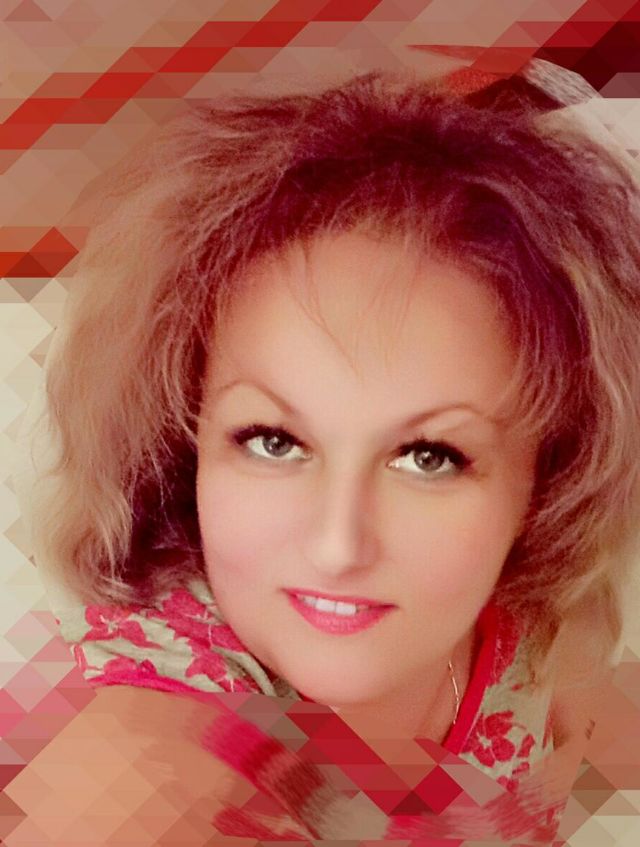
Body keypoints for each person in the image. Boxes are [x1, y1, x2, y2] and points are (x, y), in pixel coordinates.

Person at [13, 59, 640, 842]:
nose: (337, 547)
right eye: (274, 441)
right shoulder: (150, 734)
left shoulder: (544, 620)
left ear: (547, 476)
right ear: (188, 439)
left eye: (428, 456)